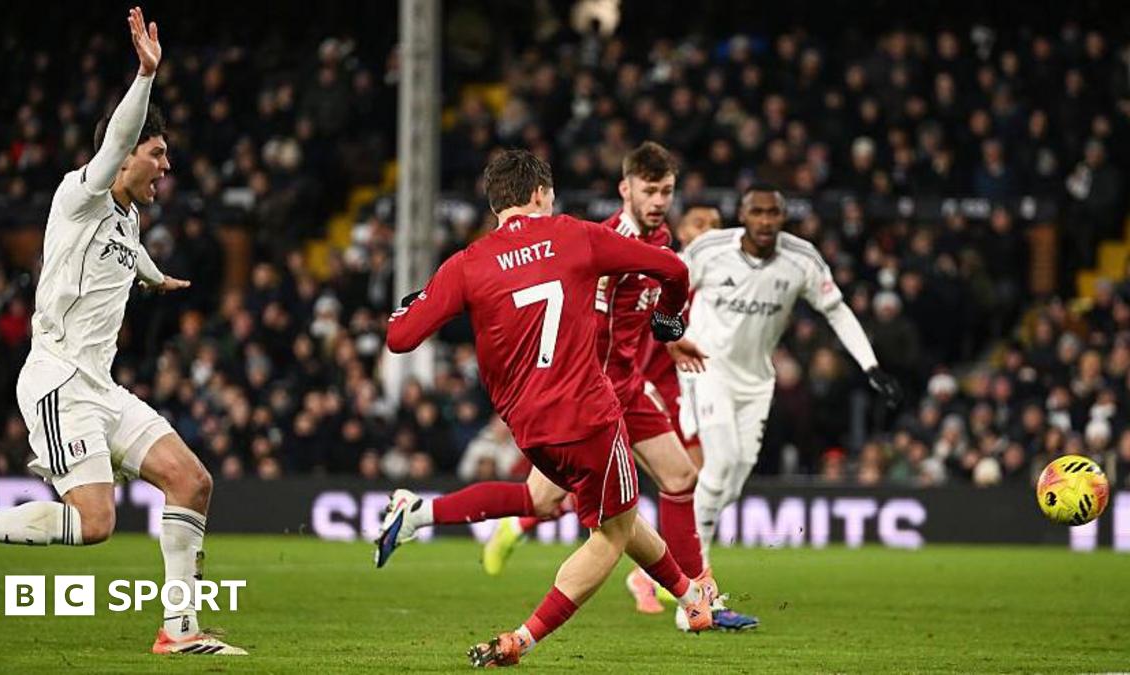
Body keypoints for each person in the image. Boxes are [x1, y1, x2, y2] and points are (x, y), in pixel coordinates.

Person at [0, 8, 244, 657]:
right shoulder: (81, 195)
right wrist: (145, 75)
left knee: (192, 481)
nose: (166, 166)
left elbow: (127, 252)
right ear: (126, 155)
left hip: (100, 387)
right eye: (157, 154)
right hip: (58, 381)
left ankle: (178, 629)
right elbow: (113, 145)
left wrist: (155, 277)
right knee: (95, 522)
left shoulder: (127, 220)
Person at [378, 149, 714, 667]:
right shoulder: (576, 235)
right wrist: (669, 325)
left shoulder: (467, 263)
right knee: (613, 531)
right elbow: (673, 269)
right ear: (540, 194)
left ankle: (692, 599)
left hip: (531, 430)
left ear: (495, 206)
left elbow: (400, 338)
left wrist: (412, 302)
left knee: (598, 510)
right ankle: (523, 638)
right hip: (589, 415)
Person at [477, 146, 756, 631]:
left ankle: (700, 599)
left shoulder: (664, 238)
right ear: (625, 189)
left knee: (678, 478)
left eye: (666, 191)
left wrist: (670, 343)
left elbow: (640, 317)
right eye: (649, 191)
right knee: (551, 500)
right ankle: (505, 525)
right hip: (592, 393)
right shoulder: (602, 242)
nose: (658, 201)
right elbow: (586, 320)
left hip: (628, 384)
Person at [673, 184, 903, 566]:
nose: (765, 221)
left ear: (783, 217)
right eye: (757, 212)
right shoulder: (709, 250)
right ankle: (696, 581)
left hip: (757, 380)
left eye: (773, 213)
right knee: (722, 461)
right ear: (742, 215)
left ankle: (674, 552)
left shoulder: (801, 260)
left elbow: (837, 310)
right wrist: (671, 335)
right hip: (707, 368)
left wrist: (871, 365)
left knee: (730, 486)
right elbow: (670, 287)